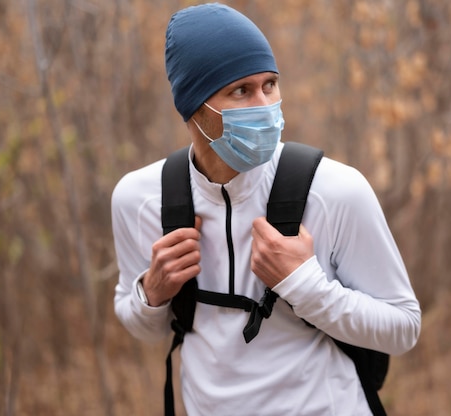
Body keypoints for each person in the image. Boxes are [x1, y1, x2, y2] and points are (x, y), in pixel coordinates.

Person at [112, 3, 421, 415]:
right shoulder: (141, 199)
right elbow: (143, 329)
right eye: (241, 90)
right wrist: (151, 293)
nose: (264, 105)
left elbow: (403, 328)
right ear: (194, 109)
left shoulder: (335, 190)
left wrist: (305, 285)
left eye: (270, 84)